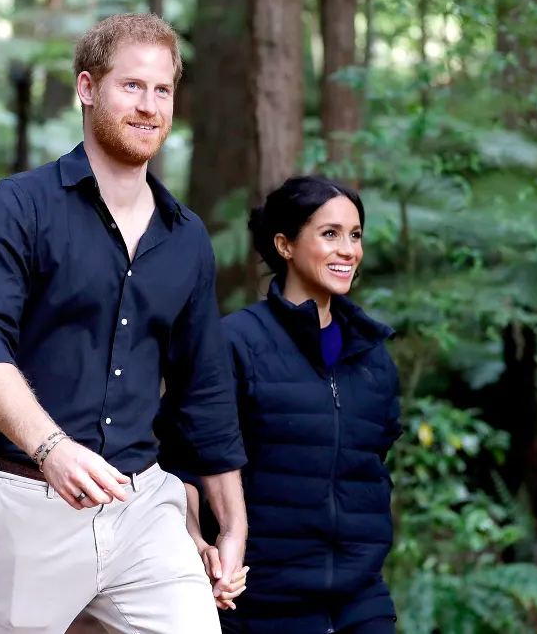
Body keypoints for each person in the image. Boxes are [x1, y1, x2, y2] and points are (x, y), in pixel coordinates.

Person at [0, 13, 247, 634]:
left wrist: (233, 524)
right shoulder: (21, 204)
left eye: (162, 90)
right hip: (29, 499)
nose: (149, 106)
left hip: (145, 509)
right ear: (87, 89)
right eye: (130, 86)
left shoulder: (186, 237)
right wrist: (51, 448)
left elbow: (204, 389)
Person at [160, 176, 404, 634]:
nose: (348, 250)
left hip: (361, 601)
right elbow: (183, 465)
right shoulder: (232, 345)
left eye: (355, 235)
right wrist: (197, 541)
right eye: (330, 234)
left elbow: (371, 468)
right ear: (285, 245)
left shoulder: (373, 357)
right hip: (257, 603)